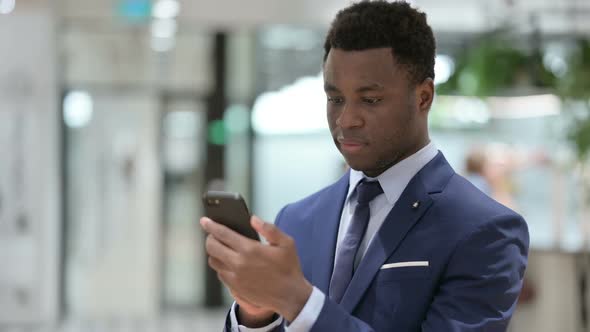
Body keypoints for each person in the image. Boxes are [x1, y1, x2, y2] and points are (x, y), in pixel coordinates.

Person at [200, 1, 529, 331]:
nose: (346, 120)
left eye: (370, 100)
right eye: (335, 99)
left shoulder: (485, 230)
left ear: (424, 97)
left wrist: (300, 303)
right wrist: (257, 314)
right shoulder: (296, 220)